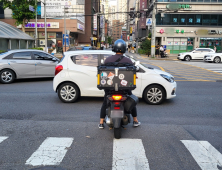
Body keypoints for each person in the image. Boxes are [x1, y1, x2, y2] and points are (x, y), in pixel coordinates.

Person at [98, 39, 141, 129]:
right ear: (124, 49)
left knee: (105, 102)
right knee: (131, 100)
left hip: (109, 87)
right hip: (124, 87)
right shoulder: (128, 60)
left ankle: (101, 122)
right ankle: (135, 120)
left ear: (114, 48)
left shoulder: (108, 60)